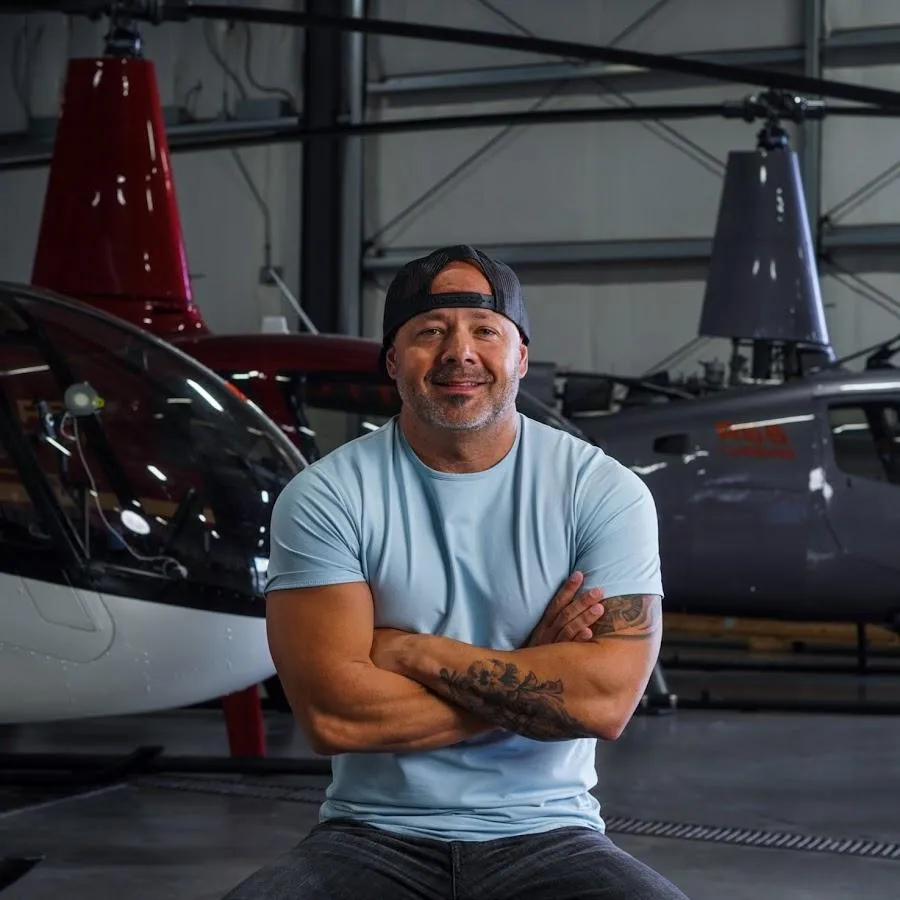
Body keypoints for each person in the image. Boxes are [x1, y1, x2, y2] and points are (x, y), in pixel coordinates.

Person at [224, 245, 689, 899]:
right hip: (371, 834)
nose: (459, 353)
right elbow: (335, 718)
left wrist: (409, 651)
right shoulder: (327, 497)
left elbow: (606, 703)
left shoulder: (601, 492)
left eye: (485, 331)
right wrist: (535, 672)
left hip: (550, 831)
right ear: (393, 360)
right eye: (430, 332)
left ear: (521, 356)